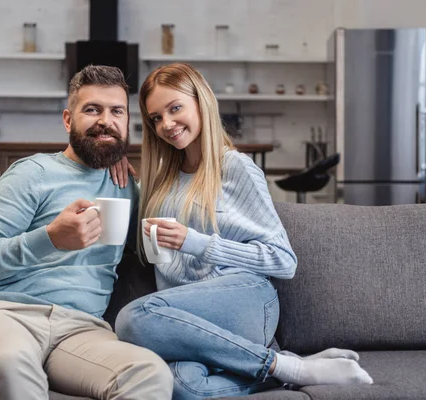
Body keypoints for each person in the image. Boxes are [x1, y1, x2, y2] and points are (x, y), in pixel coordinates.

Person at [114, 63, 373, 399]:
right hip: (192, 319)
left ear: (201, 102)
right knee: (182, 387)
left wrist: (196, 243)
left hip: (244, 299)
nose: (166, 124)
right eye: (155, 118)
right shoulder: (162, 180)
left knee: (134, 319)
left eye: (175, 108)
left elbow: (283, 260)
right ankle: (284, 367)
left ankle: (292, 368)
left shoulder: (236, 168)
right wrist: (110, 166)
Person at [0, 65, 173, 400]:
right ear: (69, 120)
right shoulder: (33, 173)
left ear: (127, 123)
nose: (106, 121)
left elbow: (151, 251)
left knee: (149, 374)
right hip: (5, 315)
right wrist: (50, 239)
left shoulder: (125, 187)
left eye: (117, 112)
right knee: (10, 363)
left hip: (81, 330)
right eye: (92, 110)